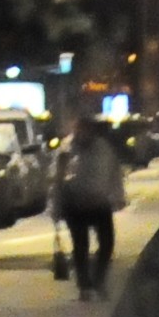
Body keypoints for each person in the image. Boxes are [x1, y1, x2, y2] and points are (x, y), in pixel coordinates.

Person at [54, 116, 128, 300]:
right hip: (75, 203)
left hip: (99, 203)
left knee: (107, 244)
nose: (83, 134)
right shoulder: (67, 149)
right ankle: (85, 286)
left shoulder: (103, 148)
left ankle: (98, 280)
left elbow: (114, 173)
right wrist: (56, 207)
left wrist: (118, 196)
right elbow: (57, 180)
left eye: (86, 130)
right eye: (80, 129)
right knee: (81, 246)